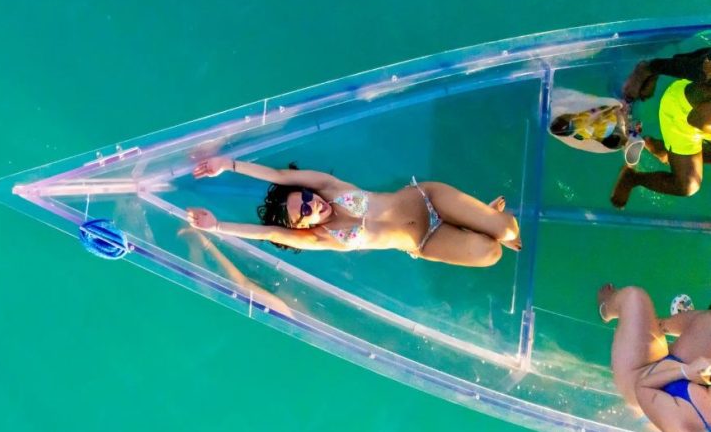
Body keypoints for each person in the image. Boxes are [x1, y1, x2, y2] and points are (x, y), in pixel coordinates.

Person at [185, 157, 521, 268]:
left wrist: (227, 165)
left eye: (305, 197)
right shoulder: (321, 237)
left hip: (427, 199)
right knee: (491, 253)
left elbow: (278, 177)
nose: (311, 203)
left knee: (508, 232)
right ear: (302, 227)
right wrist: (217, 227)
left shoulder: (330, 187)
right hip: (424, 240)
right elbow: (271, 233)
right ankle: (473, 220)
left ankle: (482, 215)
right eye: (305, 211)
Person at [598, 284, 711, 431]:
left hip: (640, 374)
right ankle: (662, 324)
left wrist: (685, 371)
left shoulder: (682, 427)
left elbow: (643, 387)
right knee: (708, 321)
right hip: (684, 370)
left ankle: (606, 309)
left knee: (633, 297)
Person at [611, 48, 711, 208]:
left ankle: (667, 152)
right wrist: (651, 70)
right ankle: (632, 177)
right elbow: (696, 120)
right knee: (687, 186)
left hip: (700, 111)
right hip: (681, 114)